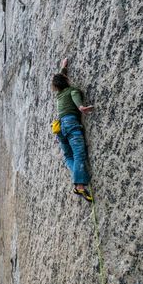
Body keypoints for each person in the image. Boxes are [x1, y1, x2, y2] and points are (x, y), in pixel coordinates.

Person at [52, 58, 94, 202]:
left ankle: (80, 175)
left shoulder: (58, 94)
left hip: (59, 128)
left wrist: (63, 67)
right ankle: (79, 186)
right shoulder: (72, 90)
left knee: (69, 156)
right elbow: (77, 101)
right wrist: (81, 108)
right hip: (71, 123)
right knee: (79, 154)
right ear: (67, 81)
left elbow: (60, 78)